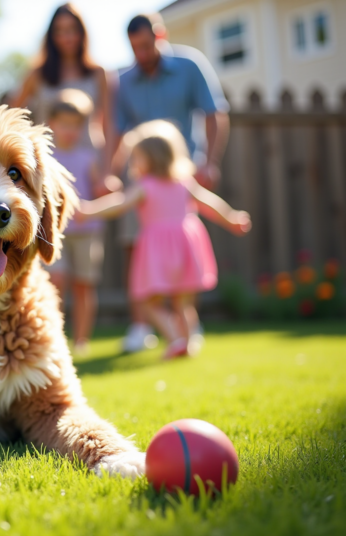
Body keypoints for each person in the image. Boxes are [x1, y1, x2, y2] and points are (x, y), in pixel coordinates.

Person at [76, 121, 250, 358]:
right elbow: (210, 203)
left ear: (153, 158)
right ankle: (187, 343)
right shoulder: (184, 182)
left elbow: (119, 204)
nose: (133, 163)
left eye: (137, 157)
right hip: (186, 243)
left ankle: (177, 339)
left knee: (148, 302)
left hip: (157, 249)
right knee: (184, 303)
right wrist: (231, 217)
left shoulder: (145, 186)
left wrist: (88, 211)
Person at [112, 13, 231, 353]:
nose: (142, 54)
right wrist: (112, 173)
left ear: (160, 36)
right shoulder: (124, 80)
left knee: (181, 253)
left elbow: (214, 113)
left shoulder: (190, 65)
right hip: (141, 178)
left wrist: (210, 161)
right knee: (137, 247)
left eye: (147, 46)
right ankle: (142, 327)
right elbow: (118, 132)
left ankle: (184, 325)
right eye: (135, 49)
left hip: (182, 171)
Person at [11, 3, 114, 195]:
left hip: (88, 164)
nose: (66, 37)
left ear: (82, 33)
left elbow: (107, 123)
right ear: (51, 36)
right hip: (48, 162)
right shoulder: (37, 74)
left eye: (72, 30)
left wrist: (106, 173)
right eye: (59, 31)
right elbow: (12, 117)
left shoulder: (98, 73)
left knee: (87, 221)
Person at [44, 89, 104, 354]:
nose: (70, 130)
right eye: (64, 124)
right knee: (55, 281)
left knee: (83, 285)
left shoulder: (88, 158)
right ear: (52, 124)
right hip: (55, 232)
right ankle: (53, 339)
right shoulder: (45, 157)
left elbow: (99, 188)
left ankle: (81, 341)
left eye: (76, 125)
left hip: (86, 231)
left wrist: (105, 187)